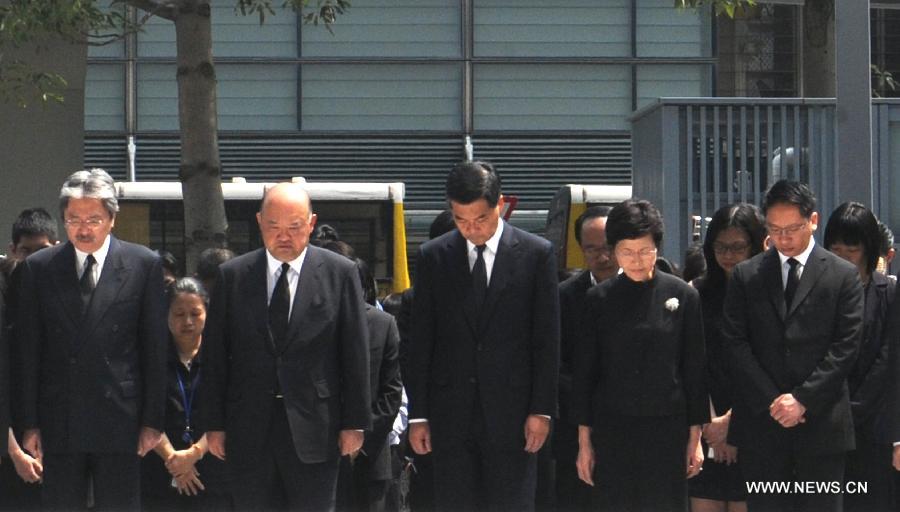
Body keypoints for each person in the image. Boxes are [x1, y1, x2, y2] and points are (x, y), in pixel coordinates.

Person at [202, 182, 371, 511]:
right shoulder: (233, 276)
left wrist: (354, 422)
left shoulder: (340, 273)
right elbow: (215, 357)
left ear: (311, 223)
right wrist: (214, 423)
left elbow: (354, 352)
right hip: (249, 424)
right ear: (259, 222)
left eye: (294, 227)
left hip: (316, 426)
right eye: (274, 226)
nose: (284, 236)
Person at [407, 161, 559, 511]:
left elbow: (546, 339)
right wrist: (419, 415)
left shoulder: (536, 254)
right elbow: (422, 340)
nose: (472, 229)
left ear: (500, 205)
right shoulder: (434, 256)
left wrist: (541, 409)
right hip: (450, 414)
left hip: (514, 415)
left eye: (480, 219)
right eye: (461, 220)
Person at [15, 168, 168, 510]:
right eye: (73, 219)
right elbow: (28, 352)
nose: (83, 229)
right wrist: (28, 423)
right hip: (59, 417)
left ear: (112, 218)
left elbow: (155, 350)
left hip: (121, 417)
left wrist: (152, 421)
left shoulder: (142, 264)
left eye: (94, 219)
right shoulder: (39, 268)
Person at [722, 180, 864, 512]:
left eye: (793, 228)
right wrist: (773, 400)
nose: (784, 238)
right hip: (762, 424)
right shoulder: (747, 275)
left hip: (822, 424)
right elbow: (735, 343)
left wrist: (802, 399)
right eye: (775, 229)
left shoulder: (842, 275)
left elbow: (846, 345)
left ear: (813, 220)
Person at [573, 198, 708, 512]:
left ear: (658, 248)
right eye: (627, 251)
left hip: (667, 429)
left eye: (645, 250)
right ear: (615, 250)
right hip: (613, 429)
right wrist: (584, 442)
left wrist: (695, 436)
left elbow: (694, 369)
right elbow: (585, 374)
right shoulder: (597, 299)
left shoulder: (682, 295)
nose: (637, 260)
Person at [689, 204, 767, 512]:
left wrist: (732, 424)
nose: (728, 256)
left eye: (737, 248)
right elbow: (692, 362)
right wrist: (711, 425)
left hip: (755, 425)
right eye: (720, 247)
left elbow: (771, 365)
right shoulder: (696, 293)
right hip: (706, 425)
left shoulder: (768, 294)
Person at [823, 202, 896, 512]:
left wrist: (854, 408)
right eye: (834, 249)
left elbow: (888, 357)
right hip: (824, 422)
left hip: (873, 426)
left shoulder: (888, 294)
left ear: (869, 250)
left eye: (850, 250)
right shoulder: (817, 292)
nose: (840, 257)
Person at [323, 242, 402, 512]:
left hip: (371, 459)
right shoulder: (309, 322)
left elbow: (391, 395)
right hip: (320, 458)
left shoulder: (382, 325)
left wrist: (360, 440)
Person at [141, 277, 231, 511]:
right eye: (179, 314)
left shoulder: (222, 356)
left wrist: (194, 454)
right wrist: (174, 459)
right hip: (159, 467)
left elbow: (230, 408)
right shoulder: (151, 357)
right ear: (166, 314)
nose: (188, 321)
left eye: (195, 313)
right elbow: (144, 408)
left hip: (211, 465)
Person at [555, 205, 614, 511]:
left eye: (607, 247)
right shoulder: (564, 297)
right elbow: (556, 363)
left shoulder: (649, 289)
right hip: (577, 426)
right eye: (592, 250)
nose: (602, 257)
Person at [0, 208, 58, 510]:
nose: (34, 261)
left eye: (42, 251)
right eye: (27, 252)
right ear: (12, 251)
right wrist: (13, 449)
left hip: (56, 446)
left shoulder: (67, 298)